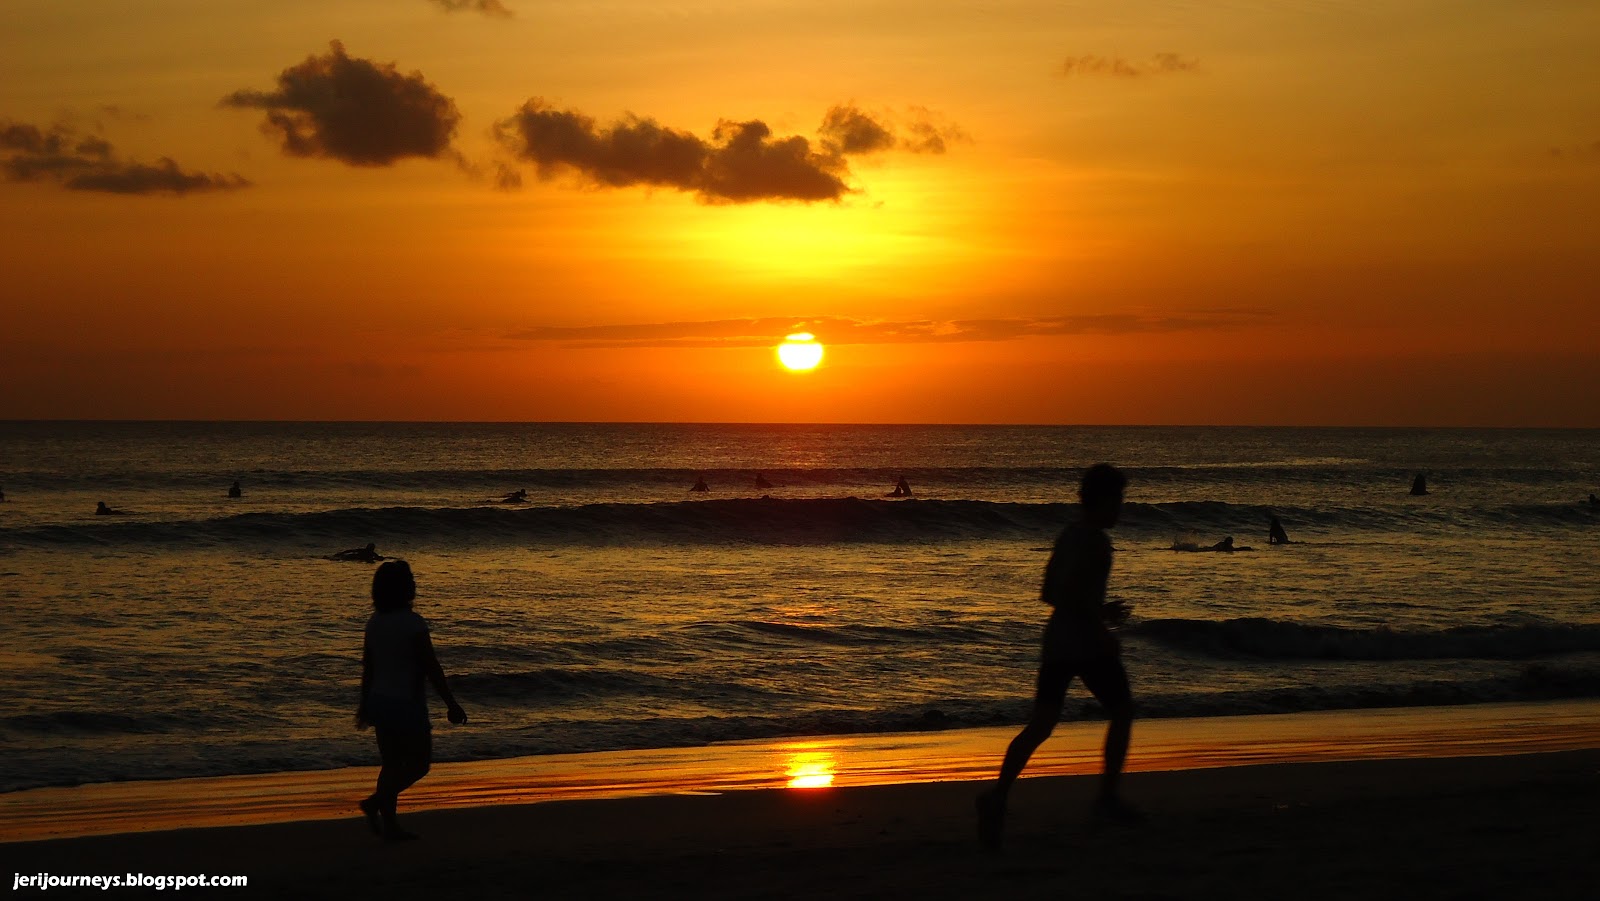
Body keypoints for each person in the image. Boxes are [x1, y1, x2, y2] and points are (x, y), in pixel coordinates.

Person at [977, 463, 1140, 851]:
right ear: (1100, 500)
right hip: (1084, 644)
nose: (1120, 508)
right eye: (1117, 500)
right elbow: (1068, 595)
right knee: (1122, 710)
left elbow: (1051, 594)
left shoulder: (1069, 535)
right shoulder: (1095, 542)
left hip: (1058, 643)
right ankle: (1106, 799)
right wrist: (1100, 627)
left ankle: (997, 797)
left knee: (1042, 724)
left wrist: (1099, 612)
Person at [356, 560, 467, 841]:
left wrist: (364, 704)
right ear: (403, 589)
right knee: (419, 764)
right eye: (411, 580)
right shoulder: (413, 624)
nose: (415, 584)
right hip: (406, 703)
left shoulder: (374, 623)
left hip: (380, 701)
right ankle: (376, 802)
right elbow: (431, 667)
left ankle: (390, 826)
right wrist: (451, 703)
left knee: (391, 764)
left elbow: (368, 667)